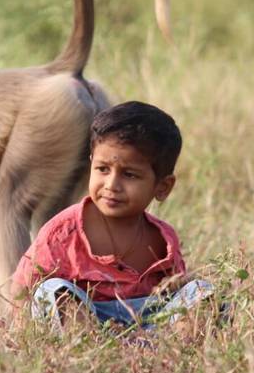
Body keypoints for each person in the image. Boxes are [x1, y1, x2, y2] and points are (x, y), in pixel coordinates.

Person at [11, 101, 214, 332]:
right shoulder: (62, 232)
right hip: (89, 327)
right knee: (52, 291)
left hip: (151, 330)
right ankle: (89, 348)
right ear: (91, 165)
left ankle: (170, 354)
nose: (111, 185)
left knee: (200, 292)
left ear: (163, 187)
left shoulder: (163, 239)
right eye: (102, 169)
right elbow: (22, 288)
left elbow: (173, 292)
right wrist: (20, 338)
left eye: (129, 175)